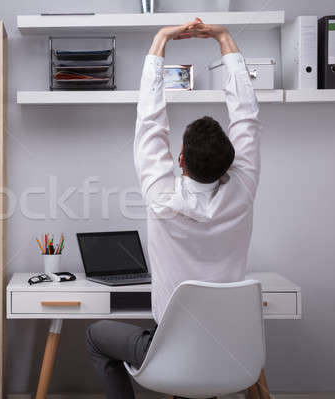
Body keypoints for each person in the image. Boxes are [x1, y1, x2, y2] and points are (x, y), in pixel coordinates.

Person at [86, 18, 262, 399]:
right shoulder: (243, 189)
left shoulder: (162, 195)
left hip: (172, 355)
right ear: (231, 163)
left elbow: (149, 120)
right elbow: (246, 115)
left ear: (179, 160)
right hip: (231, 358)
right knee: (201, 359)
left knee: (95, 336)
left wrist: (162, 38)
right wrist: (224, 37)